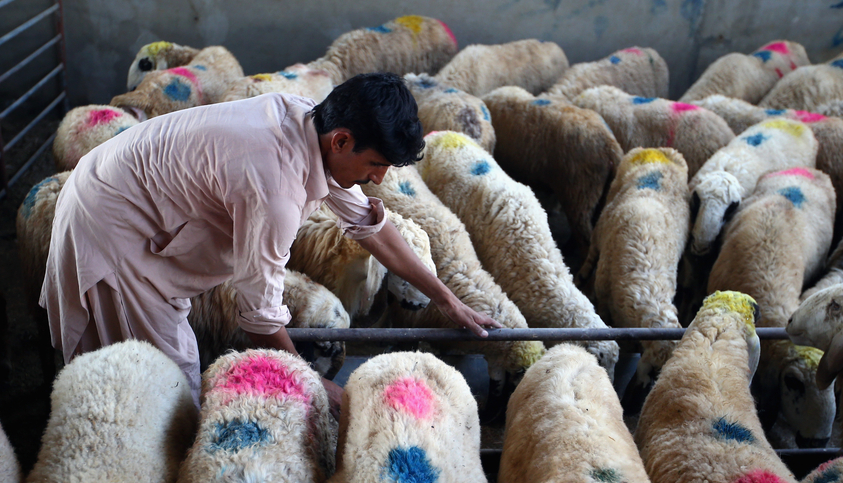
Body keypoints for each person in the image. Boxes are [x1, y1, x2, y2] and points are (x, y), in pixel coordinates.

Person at [41, 72, 500, 413]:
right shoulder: (274, 185)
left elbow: (369, 223)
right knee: (159, 390)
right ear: (342, 140)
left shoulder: (309, 122)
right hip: (111, 226)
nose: (378, 179)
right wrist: (319, 387)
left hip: (125, 195)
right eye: (376, 164)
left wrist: (448, 300)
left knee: (168, 376)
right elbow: (258, 316)